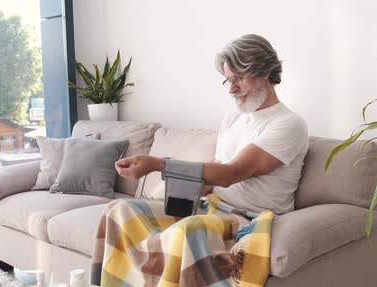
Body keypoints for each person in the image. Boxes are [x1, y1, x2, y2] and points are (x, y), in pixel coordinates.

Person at [115, 34, 309, 214]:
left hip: (249, 216)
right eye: (228, 80)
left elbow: (231, 174)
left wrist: (157, 164)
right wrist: (167, 197)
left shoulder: (288, 124)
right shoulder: (232, 119)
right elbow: (212, 180)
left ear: (264, 72)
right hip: (212, 206)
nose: (232, 89)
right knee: (120, 211)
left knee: (177, 233)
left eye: (239, 78)